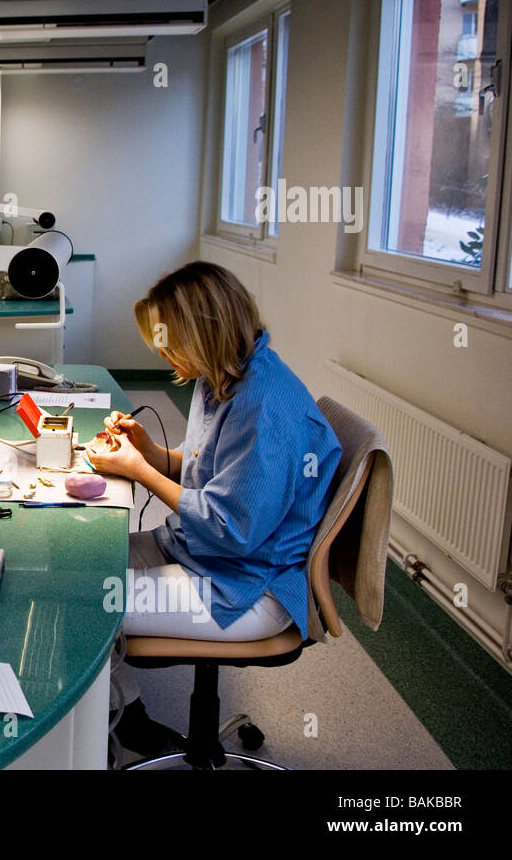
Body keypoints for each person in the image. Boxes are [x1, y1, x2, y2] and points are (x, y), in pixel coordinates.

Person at [85, 261, 342, 757]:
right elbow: (209, 469)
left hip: (246, 586)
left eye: (169, 340)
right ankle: (130, 715)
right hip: (204, 553)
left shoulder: (264, 405)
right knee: (80, 567)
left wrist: (139, 471)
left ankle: (126, 723)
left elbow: (230, 527)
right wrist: (150, 452)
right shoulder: (222, 375)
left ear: (205, 333)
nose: (161, 352)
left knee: (86, 604)